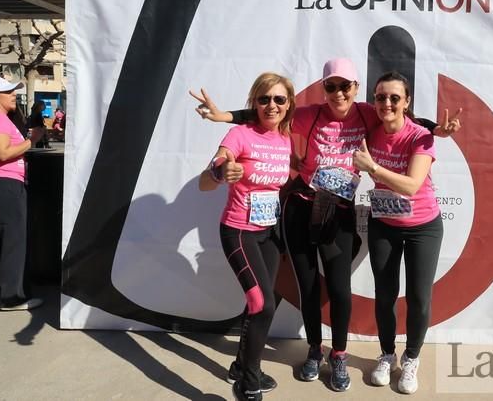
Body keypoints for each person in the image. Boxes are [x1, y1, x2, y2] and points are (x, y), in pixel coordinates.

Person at [191, 58, 461, 392]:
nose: (338, 93)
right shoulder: (309, 114)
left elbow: (403, 117)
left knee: (339, 287)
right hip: (302, 207)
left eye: (344, 86)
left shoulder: (368, 112)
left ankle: (340, 354)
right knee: (308, 285)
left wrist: (436, 130)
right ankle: (314, 350)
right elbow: (269, 114)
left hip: (341, 211)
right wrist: (225, 117)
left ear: (356, 89)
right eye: (330, 86)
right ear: (324, 89)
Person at [198, 72, 295, 401]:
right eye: (264, 99)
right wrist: (221, 172)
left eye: (279, 99)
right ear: (254, 103)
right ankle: (248, 381)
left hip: (268, 234)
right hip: (239, 232)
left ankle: (241, 365)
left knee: (263, 304)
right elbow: (205, 181)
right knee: (261, 304)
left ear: (288, 105)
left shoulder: (285, 138)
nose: (271, 105)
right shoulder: (239, 135)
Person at [351, 71, 443, 394]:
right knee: (385, 294)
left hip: (423, 227)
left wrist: (373, 168)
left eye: (394, 98)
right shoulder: (370, 134)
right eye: (380, 97)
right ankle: (387, 354)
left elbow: (412, 185)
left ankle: (412, 358)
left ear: (407, 102)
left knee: (418, 297)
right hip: (384, 224)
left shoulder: (420, 136)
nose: (386, 103)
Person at [0, 76, 44, 311]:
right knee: (14, 240)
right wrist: (32, 140)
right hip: (5, 184)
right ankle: (11, 297)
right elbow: (2, 153)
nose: (13, 94)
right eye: (7, 91)